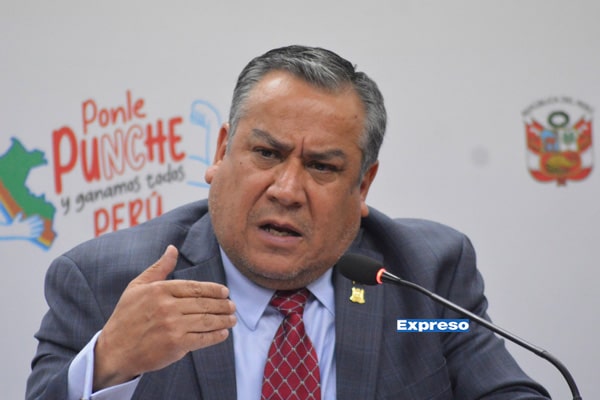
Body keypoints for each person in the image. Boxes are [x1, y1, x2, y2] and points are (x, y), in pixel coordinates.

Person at [26, 45, 550, 399]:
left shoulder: (424, 279)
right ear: (221, 152)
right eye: (267, 154)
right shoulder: (105, 281)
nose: (287, 190)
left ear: (362, 186)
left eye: (321, 167)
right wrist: (110, 361)